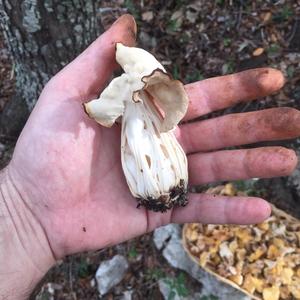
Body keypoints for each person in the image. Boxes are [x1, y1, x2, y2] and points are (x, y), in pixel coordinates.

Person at [0, 14, 299, 299]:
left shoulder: (148, 86)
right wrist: (24, 212)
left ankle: (166, 192)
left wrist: (23, 219)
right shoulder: (118, 99)